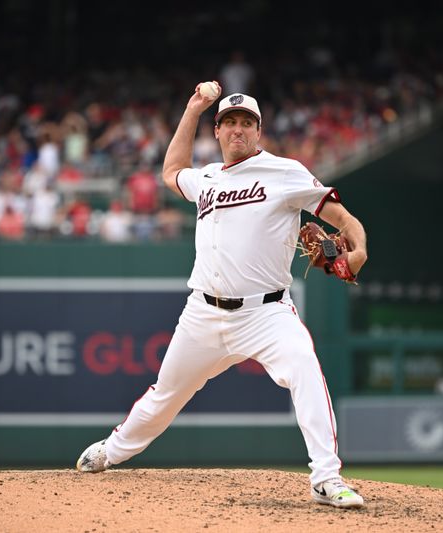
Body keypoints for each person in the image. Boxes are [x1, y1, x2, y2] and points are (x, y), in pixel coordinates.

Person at [76, 83, 368, 509]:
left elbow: (342, 217)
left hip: (266, 314)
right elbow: (172, 170)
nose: (238, 129)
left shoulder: (285, 172)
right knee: (165, 394)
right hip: (203, 315)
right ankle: (114, 450)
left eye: (246, 123)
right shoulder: (208, 178)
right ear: (217, 131)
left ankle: (326, 479)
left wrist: (359, 249)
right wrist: (193, 109)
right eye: (229, 122)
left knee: (304, 366)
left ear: (258, 131)